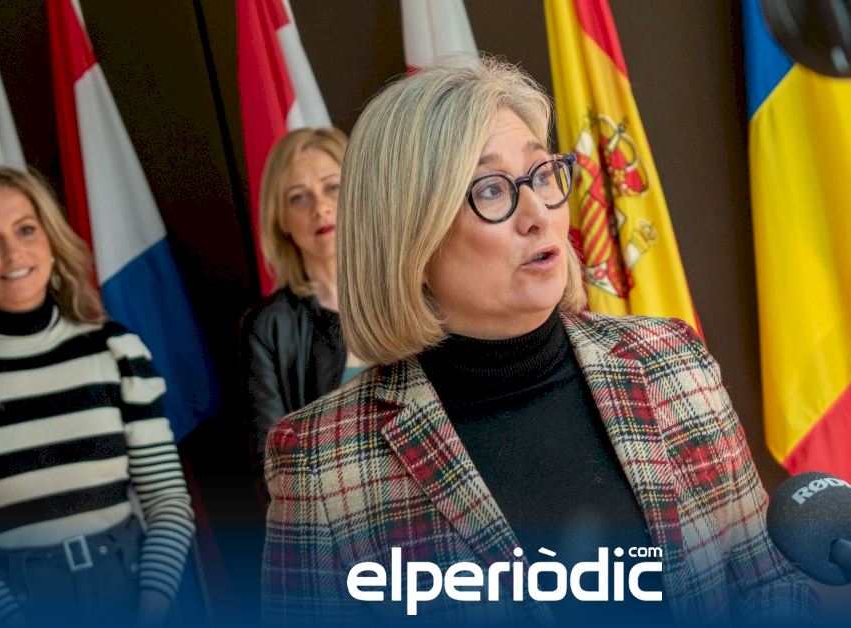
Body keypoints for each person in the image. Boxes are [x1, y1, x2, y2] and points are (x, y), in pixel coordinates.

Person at [261, 58, 818, 625]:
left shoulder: (669, 360)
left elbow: (768, 579)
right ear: (409, 236)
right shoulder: (319, 465)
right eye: (491, 189)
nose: (538, 214)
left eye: (543, 175)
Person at [0, 168, 195, 626]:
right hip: (17, 608)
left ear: (51, 240)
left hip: (135, 593)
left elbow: (167, 501)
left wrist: (152, 609)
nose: (12, 253)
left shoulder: (117, 352)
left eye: (25, 229)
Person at [242, 128, 365, 468]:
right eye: (298, 197)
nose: (320, 208)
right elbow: (273, 463)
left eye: (332, 187)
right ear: (281, 219)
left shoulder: (412, 291)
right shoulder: (268, 328)